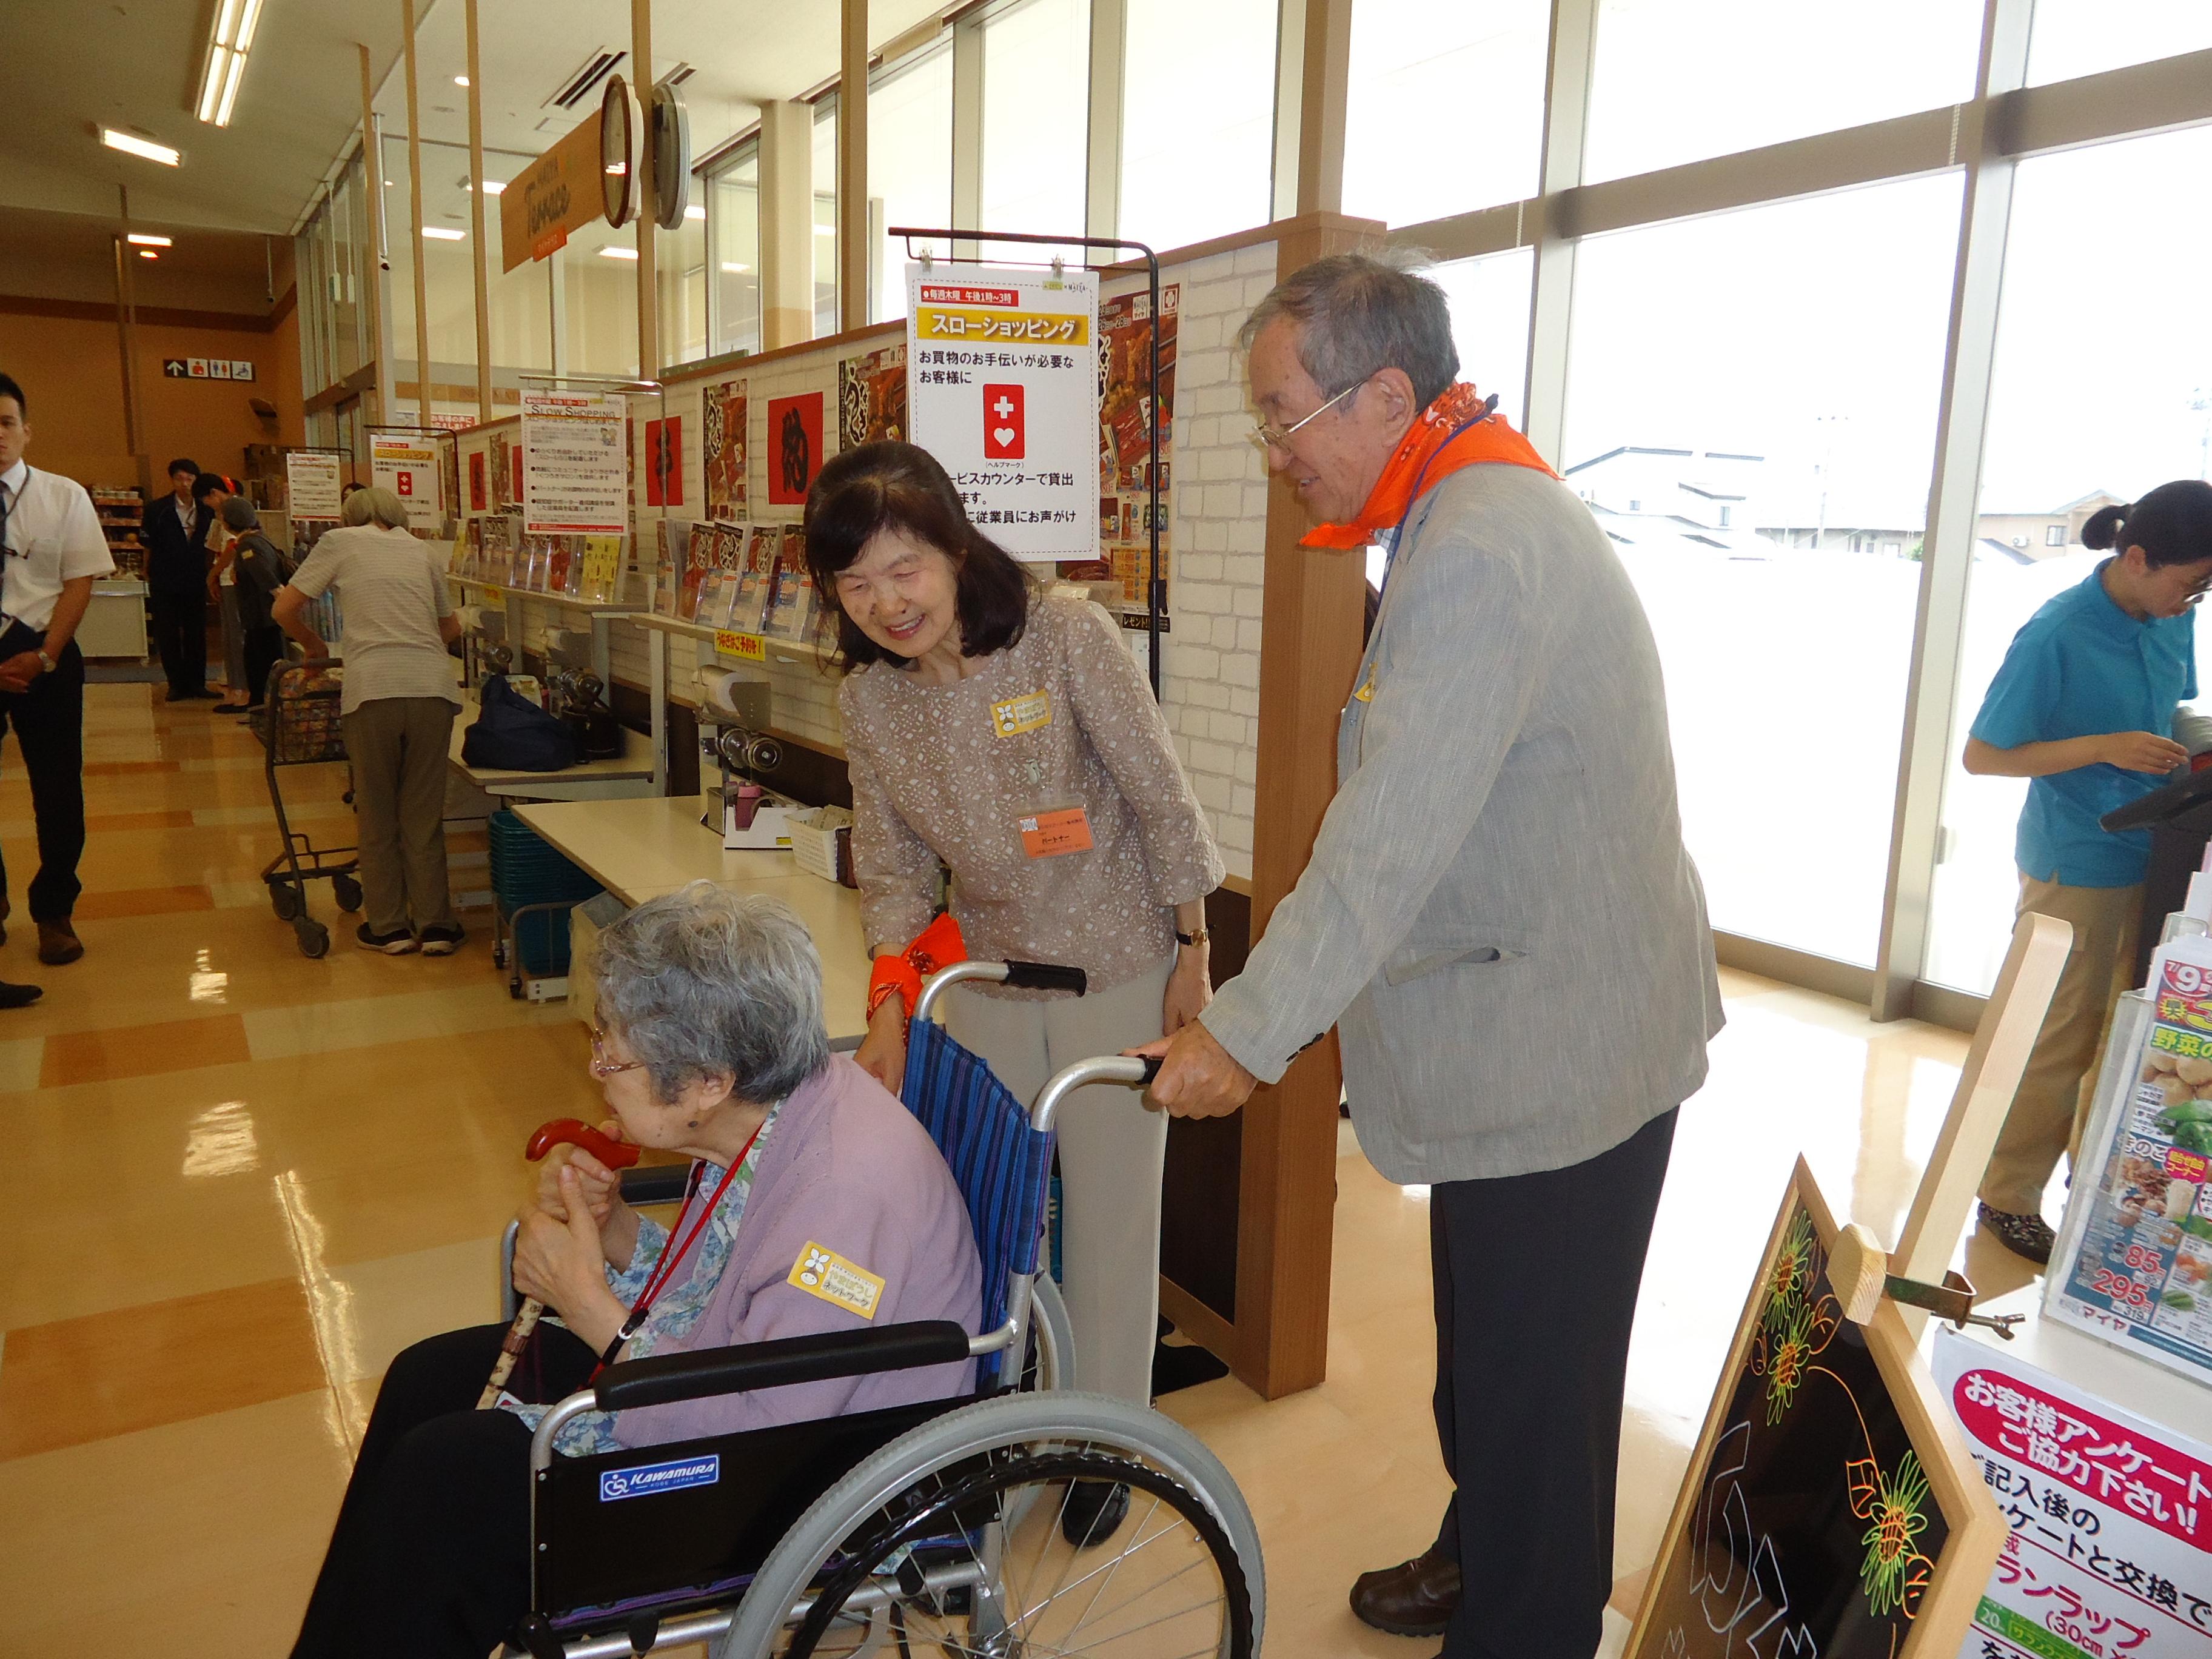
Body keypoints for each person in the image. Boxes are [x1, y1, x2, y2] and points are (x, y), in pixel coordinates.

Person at [1135, 255, 1722, 1659]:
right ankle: (1490, 1547)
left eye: (1284, 416)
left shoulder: (1474, 548)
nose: (1277, 452)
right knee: (1511, 1363)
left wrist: (1245, 1028)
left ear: (1385, 392)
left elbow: (1382, 839)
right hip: (1545, 1024)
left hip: (1564, 1046)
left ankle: (1526, 1611)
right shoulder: (1477, 500)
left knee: (1537, 1384)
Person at [288, 883, 984, 1659]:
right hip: (727, 1392)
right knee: (428, 1377)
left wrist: (586, 1303)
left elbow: (760, 1428)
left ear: (708, 1083)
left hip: (793, 1478)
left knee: (447, 1483)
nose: (595, 1069)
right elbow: (718, 1285)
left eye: (613, 1054)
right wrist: (616, 1229)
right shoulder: (769, 1105)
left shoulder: (842, 1201)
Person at [803, 441, 1222, 1468]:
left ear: (953, 546)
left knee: (1113, 1234)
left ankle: (1107, 1449)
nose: (885, 604)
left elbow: (1160, 798)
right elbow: (895, 870)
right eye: (854, 584)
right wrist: (893, 1004)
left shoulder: (1063, 638)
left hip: (1117, 973)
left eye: (903, 570)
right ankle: (997, 1430)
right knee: (982, 1223)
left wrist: (1194, 951)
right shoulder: (872, 699)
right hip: (984, 983)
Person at [1961, 480, 2212, 1264]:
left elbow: (2172, 712)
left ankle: (2092, 1180)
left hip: (2158, 851)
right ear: (2136, 558)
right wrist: (2103, 746)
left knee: (2126, 1034)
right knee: (2057, 1037)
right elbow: (1984, 755)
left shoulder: (2173, 619)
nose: (2193, 600)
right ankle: (2006, 1195)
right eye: (2187, 583)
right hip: (2076, 861)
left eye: (2204, 587)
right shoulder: (2057, 634)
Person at [273, 485, 466, 954]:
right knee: (422, 815)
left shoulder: (339, 543)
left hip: (372, 690)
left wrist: (315, 649)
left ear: (350, 516)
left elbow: (283, 608)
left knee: (377, 811)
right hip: (432, 690)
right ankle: (437, 926)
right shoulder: (421, 550)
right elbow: (449, 627)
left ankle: (389, 928)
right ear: (396, 515)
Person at [0, 370, 115, 987]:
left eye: (6, 422)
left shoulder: (62, 495)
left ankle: (55, 912)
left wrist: (44, 655)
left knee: (59, 791)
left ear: (26, 430)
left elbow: (80, 581)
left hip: (45, 649)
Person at [140, 464, 222, 702]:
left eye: (190, 479)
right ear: (172, 481)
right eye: (180, 479)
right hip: (164, 577)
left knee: (196, 632)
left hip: (196, 577)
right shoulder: (158, 509)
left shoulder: (206, 509)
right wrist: (146, 570)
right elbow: (148, 544)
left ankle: (198, 683)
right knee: (168, 632)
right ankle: (175, 684)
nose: (185, 484)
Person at [216, 495, 286, 714]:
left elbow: (263, 575)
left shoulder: (248, 545)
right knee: (262, 659)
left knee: (259, 662)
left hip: (261, 616)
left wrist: (281, 599)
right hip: (264, 615)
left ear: (228, 522)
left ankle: (260, 706)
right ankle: (260, 704)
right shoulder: (260, 539)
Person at [209, 477, 252, 710]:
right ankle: (237, 687)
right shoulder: (221, 520)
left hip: (234, 585)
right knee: (230, 639)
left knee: (237, 639)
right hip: (226, 584)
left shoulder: (242, 530)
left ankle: (243, 690)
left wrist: (213, 573)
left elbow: (231, 548)